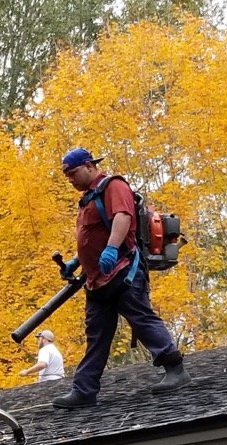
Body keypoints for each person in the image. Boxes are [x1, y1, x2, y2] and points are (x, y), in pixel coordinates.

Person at [53, 147, 191, 409]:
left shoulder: (112, 186)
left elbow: (123, 217)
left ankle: (175, 369)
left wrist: (112, 249)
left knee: (141, 318)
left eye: (72, 173)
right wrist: (77, 261)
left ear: (89, 166)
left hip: (122, 271)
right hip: (96, 279)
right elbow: (92, 237)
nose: (70, 179)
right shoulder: (88, 199)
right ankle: (84, 391)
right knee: (97, 335)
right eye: (66, 175)